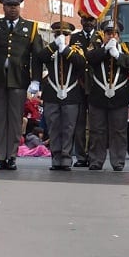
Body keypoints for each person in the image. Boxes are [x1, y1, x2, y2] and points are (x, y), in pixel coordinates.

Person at [0, 0, 43, 171]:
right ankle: (0, 157)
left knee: (15, 121)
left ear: (19, 7)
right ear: (3, 7)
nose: (12, 9)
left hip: (19, 79)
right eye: (9, 6)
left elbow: (36, 57)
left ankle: (12, 156)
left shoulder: (30, 28)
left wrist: (36, 80)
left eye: (15, 6)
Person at [85, 19, 129, 171]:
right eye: (108, 33)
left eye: (114, 33)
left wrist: (117, 55)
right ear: (103, 35)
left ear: (119, 36)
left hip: (119, 96)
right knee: (97, 131)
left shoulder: (126, 47)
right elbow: (89, 59)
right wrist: (105, 50)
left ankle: (118, 162)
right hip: (98, 96)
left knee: (118, 131)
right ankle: (95, 160)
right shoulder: (95, 47)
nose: (111, 36)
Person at [37, 21, 85, 171]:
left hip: (71, 95)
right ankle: (55, 158)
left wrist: (65, 50)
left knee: (68, 128)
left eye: (65, 35)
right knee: (54, 127)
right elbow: (40, 57)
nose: (61, 37)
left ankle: (66, 158)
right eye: (58, 34)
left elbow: (81, 63)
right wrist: (54, 46)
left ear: (70, 36)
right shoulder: (50, 50)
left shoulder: (76, 50)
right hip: (52, 94)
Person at [69, 10, 97, 167]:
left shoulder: (100, 37)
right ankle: (80, 156)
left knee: (94, 123)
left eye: (91, 19)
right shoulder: (75, 37)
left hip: (96, 85)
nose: (88, 23)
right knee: (79, 124)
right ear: (81, 21)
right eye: (85, 20)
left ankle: (93, 156)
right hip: (79, 85)